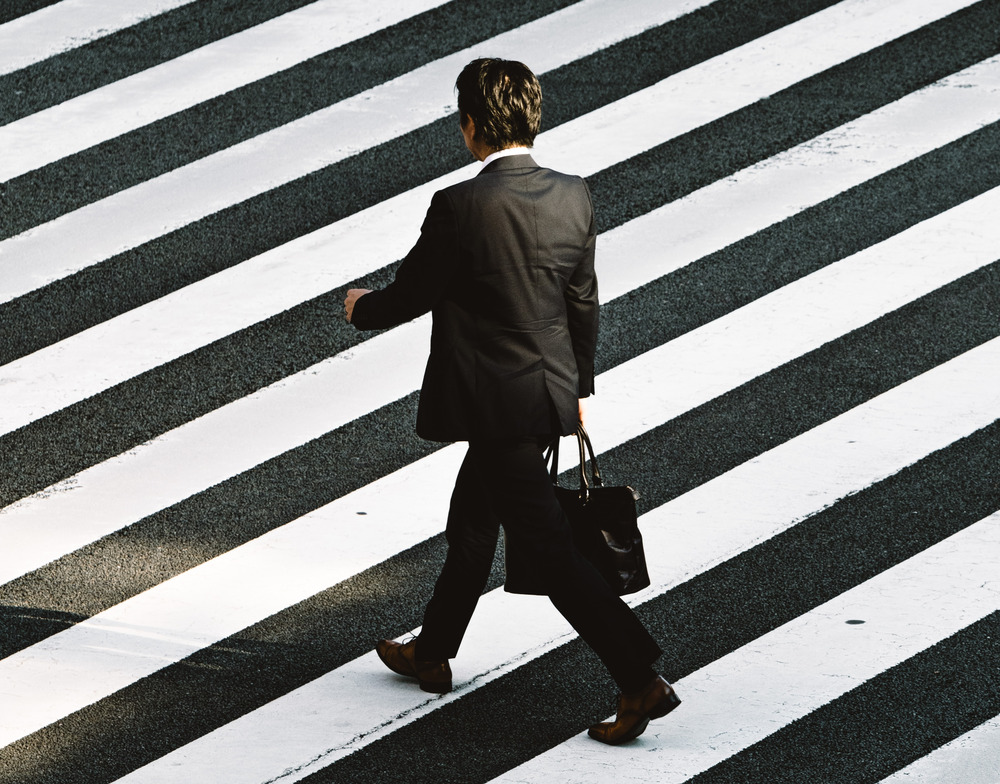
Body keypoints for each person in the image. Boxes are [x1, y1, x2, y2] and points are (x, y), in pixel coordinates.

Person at [344, 58, 679, 744]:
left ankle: (640, 679)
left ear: (471, 127)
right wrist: (576, 389)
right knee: (472, 520)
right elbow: (581, 302)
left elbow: (410, 296)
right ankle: (433, 648)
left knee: (552, 553)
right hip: (542, 393)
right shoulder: (573, 196)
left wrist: (357, 308)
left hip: (491, 404)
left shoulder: (461, 207)